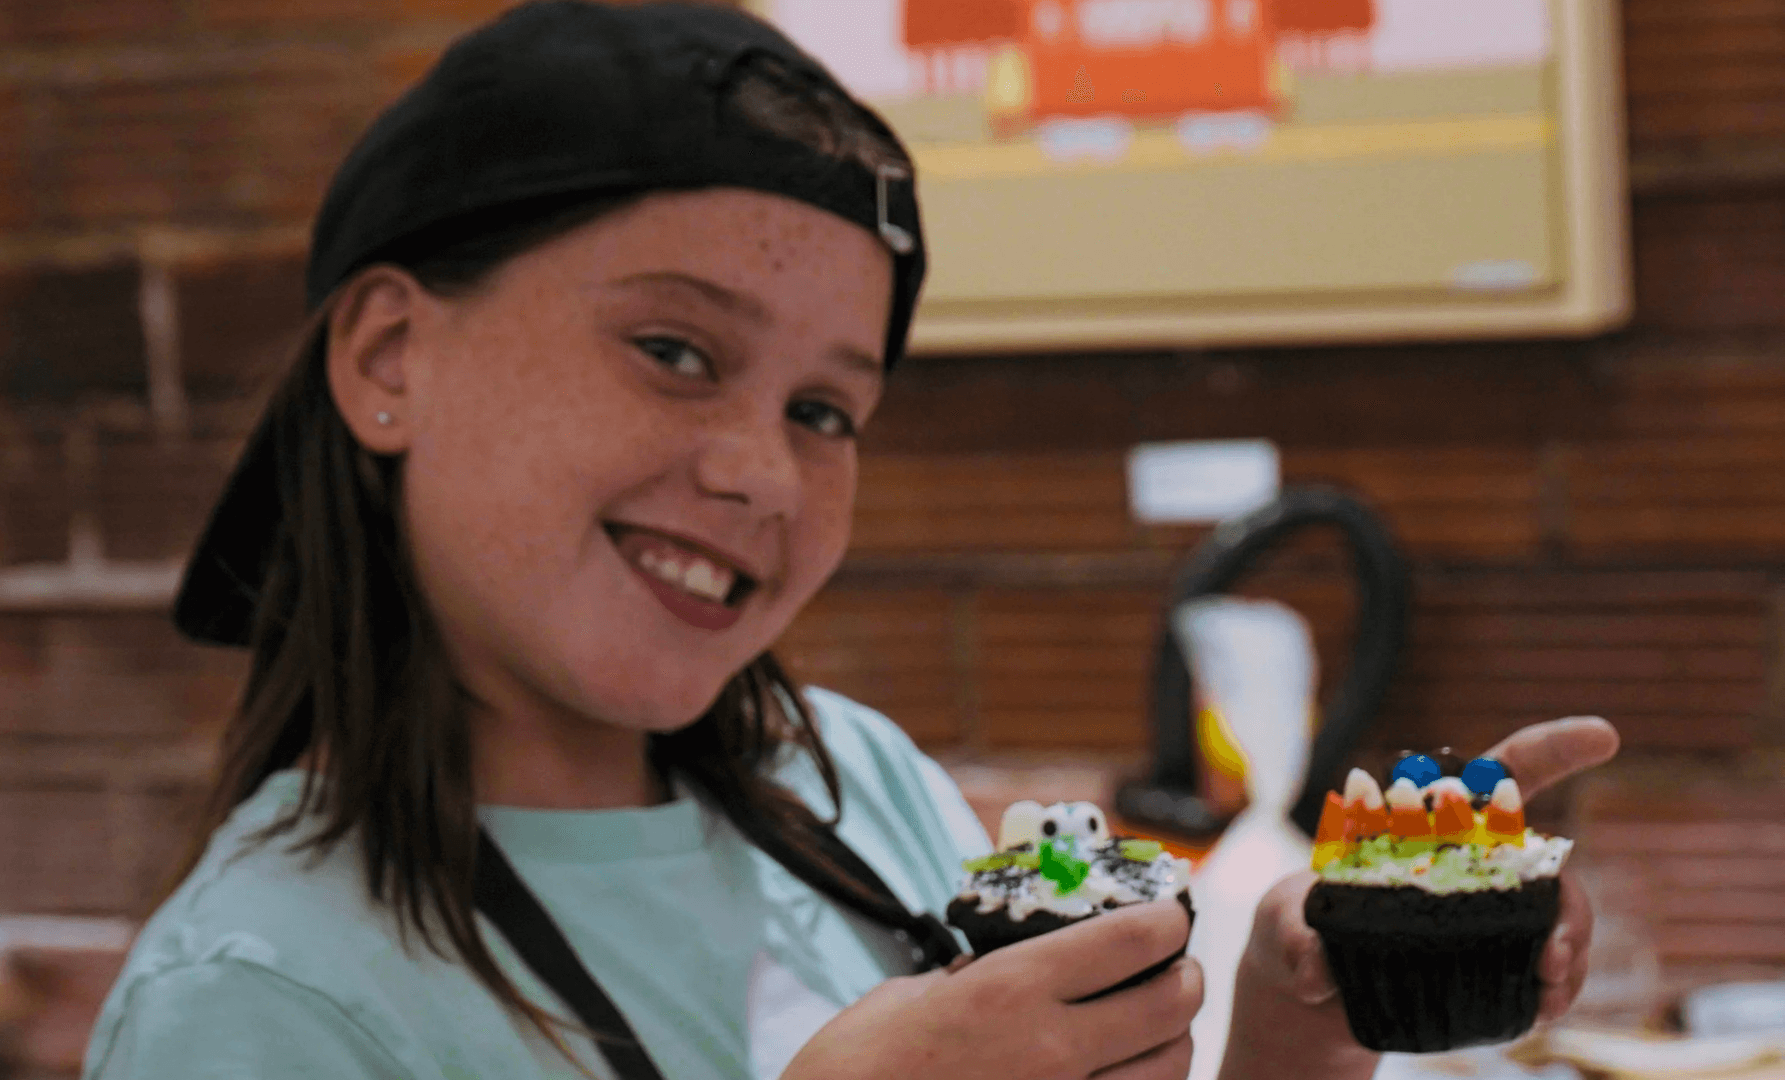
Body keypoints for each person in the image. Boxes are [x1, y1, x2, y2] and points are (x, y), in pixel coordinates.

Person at [81, 3, 1612, 1078]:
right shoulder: (255, 1002)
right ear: (388, 360)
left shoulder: (853, 783)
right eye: (675, 351)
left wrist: (1304, 1022)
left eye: (828, 410)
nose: (760, 470)